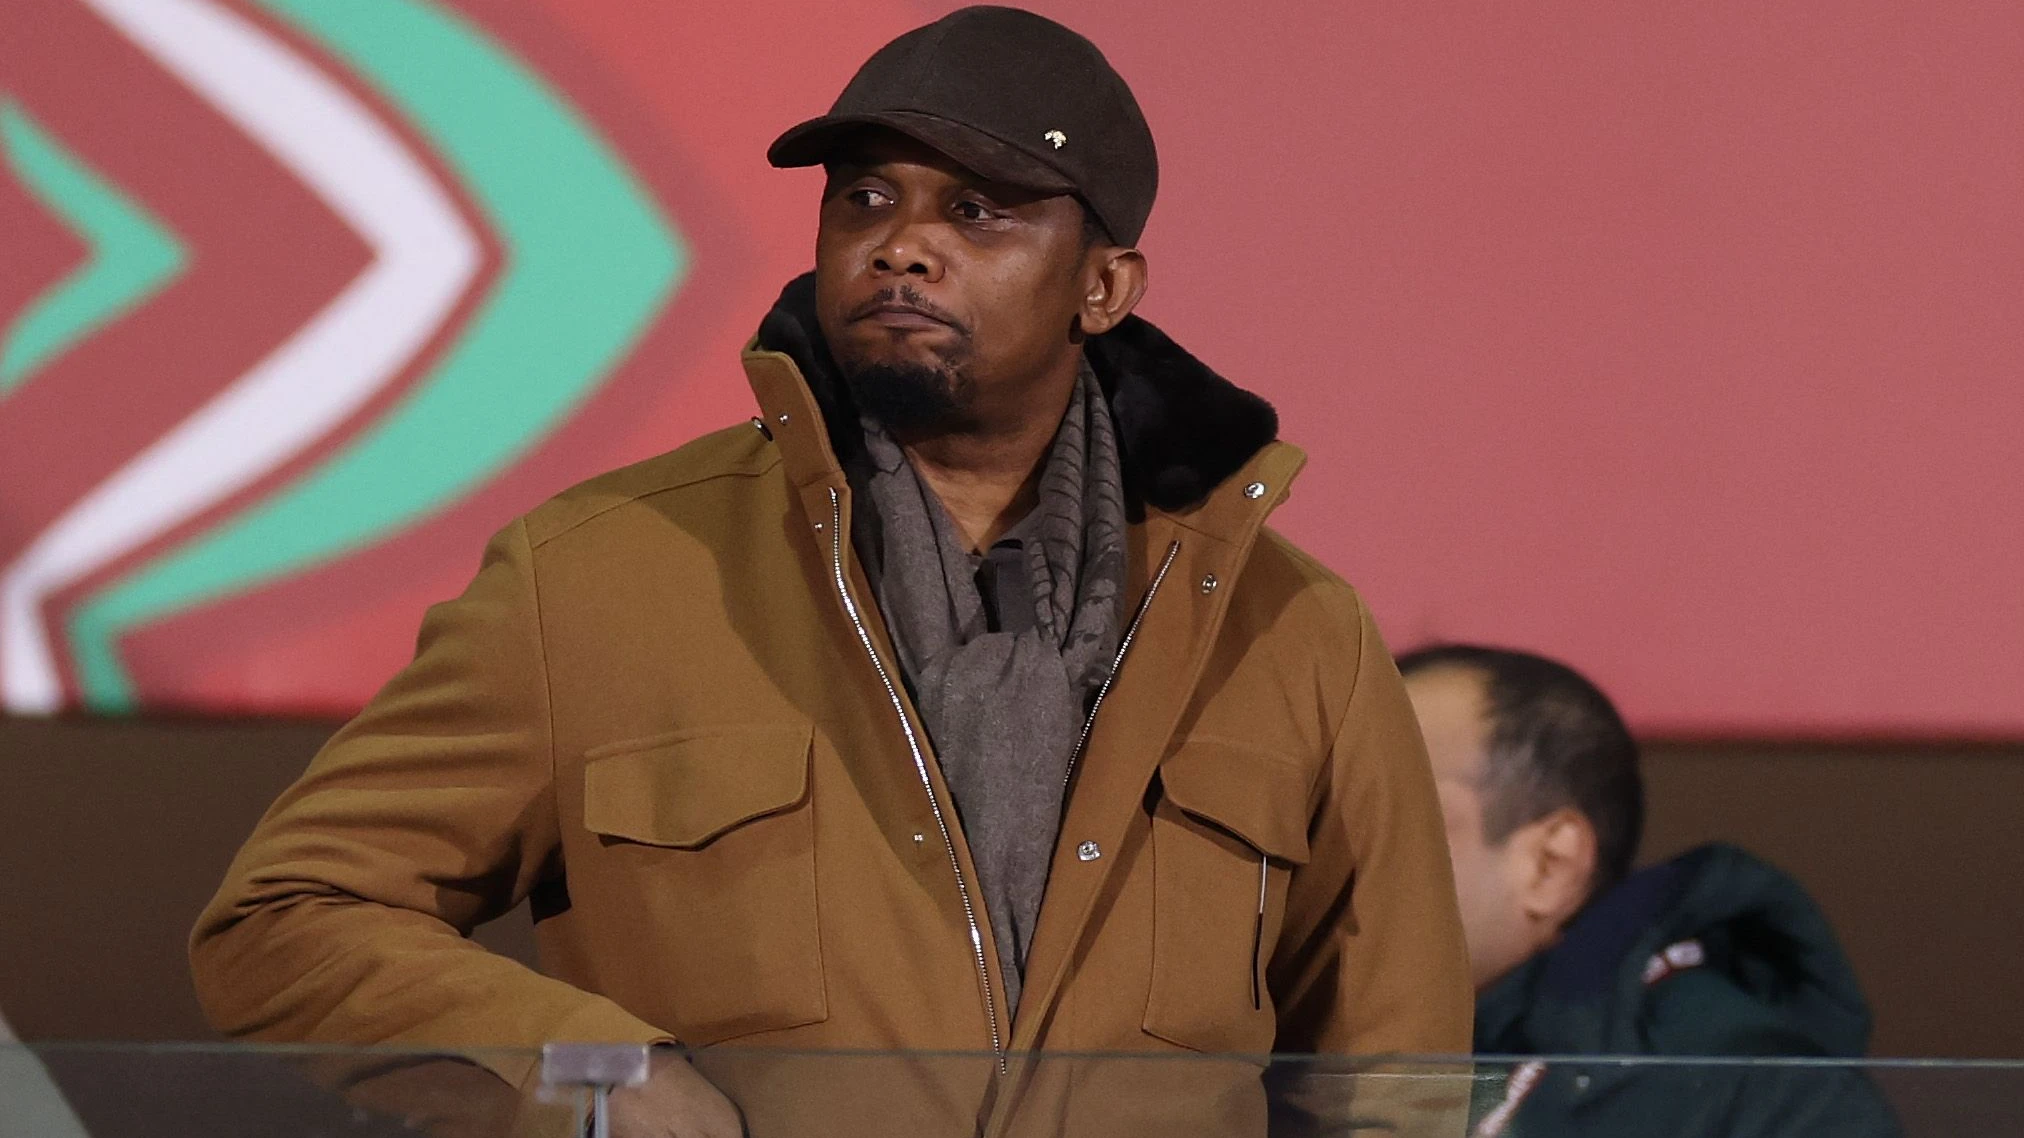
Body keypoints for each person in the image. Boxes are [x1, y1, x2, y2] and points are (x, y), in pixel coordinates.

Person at [191, 8, 1471, 1135]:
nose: (901, 245)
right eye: (863, 199)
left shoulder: (1293, 631)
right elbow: (290, 915)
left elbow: (1392, 1076)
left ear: (1102, 287)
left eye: (974, 210)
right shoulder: (592, 574)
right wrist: (585, 1071)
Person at [1397, 644, 1900, 1138]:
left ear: (1550, 865)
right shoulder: (1362, 1064)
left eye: (1388, 807)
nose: (1356, 848)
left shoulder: (1764, 1098)